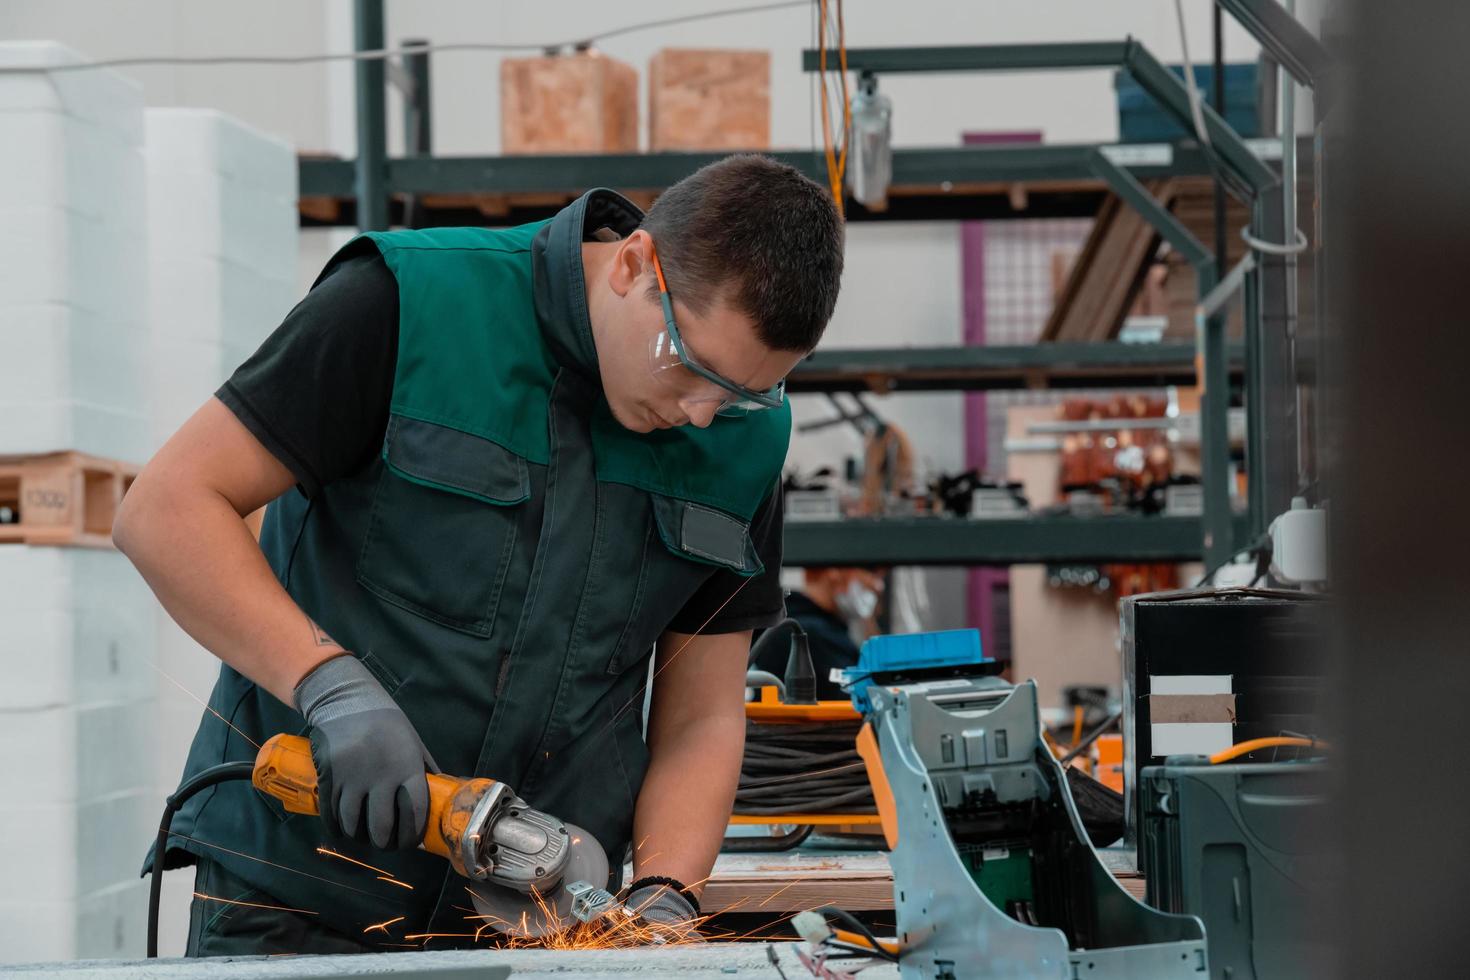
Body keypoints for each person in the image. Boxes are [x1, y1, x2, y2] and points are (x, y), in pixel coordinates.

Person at [113, 155, 845, 954]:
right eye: (690, 367)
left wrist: (664, 899)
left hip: (539, 929)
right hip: (297, 895)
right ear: (635, 264)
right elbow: (166, 510)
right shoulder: (407, 304)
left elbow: (700, 715)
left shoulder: (742, 443)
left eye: (742, 394)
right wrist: (328, 686)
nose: (703, 416)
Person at [754, 567, 885, 700]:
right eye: (871, 572)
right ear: (834, 572)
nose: (878, 586)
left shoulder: (815, 626)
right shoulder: (808, 633)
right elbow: (864, 698)